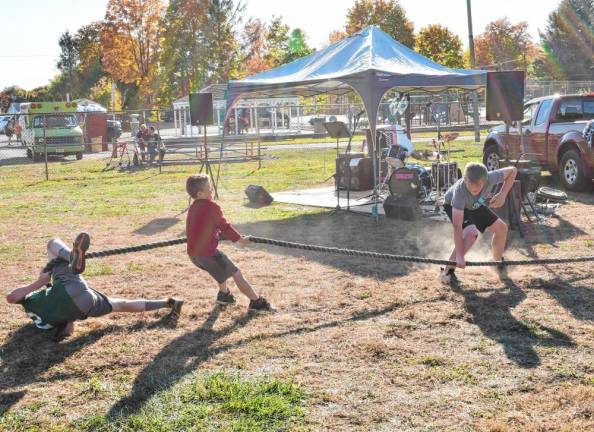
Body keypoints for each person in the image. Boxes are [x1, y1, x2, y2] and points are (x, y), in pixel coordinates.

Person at [6, 233, 184, 341]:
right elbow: (11, 297)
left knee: (120, 304)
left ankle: (168, 302)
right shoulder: (31, 306)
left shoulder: (50, 323)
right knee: (52, 245)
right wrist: (40, 282)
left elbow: (68, 330)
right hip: (67, 287)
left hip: (84, 307)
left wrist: (69, 319)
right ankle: (71, 257)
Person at [185, 174, 274, 313]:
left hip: (194, 255)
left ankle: (224, 295)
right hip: (207, 254)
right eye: (209, 188)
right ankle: (256, 302)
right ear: (200, 193)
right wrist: (241, 239)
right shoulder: (211, 206)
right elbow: (224, 226)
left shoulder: (193, 207)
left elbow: (200, 227)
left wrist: (217, 235)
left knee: (220, 270)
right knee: (236, 273)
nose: (212, 190)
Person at [440, 162, 517, 284]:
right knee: (471, 234)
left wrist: (502, 194)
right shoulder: (459, 193)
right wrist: (460, 256)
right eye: (471, 184)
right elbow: (457, 226)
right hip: (454, 206)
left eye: (479, 185)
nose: (475, 188)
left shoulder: (491, 177)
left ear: (485, 180)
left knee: (501, 228)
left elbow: (512, 170)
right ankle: (448, 269)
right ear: (465, 180)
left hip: (475, 206)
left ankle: (496, 262)